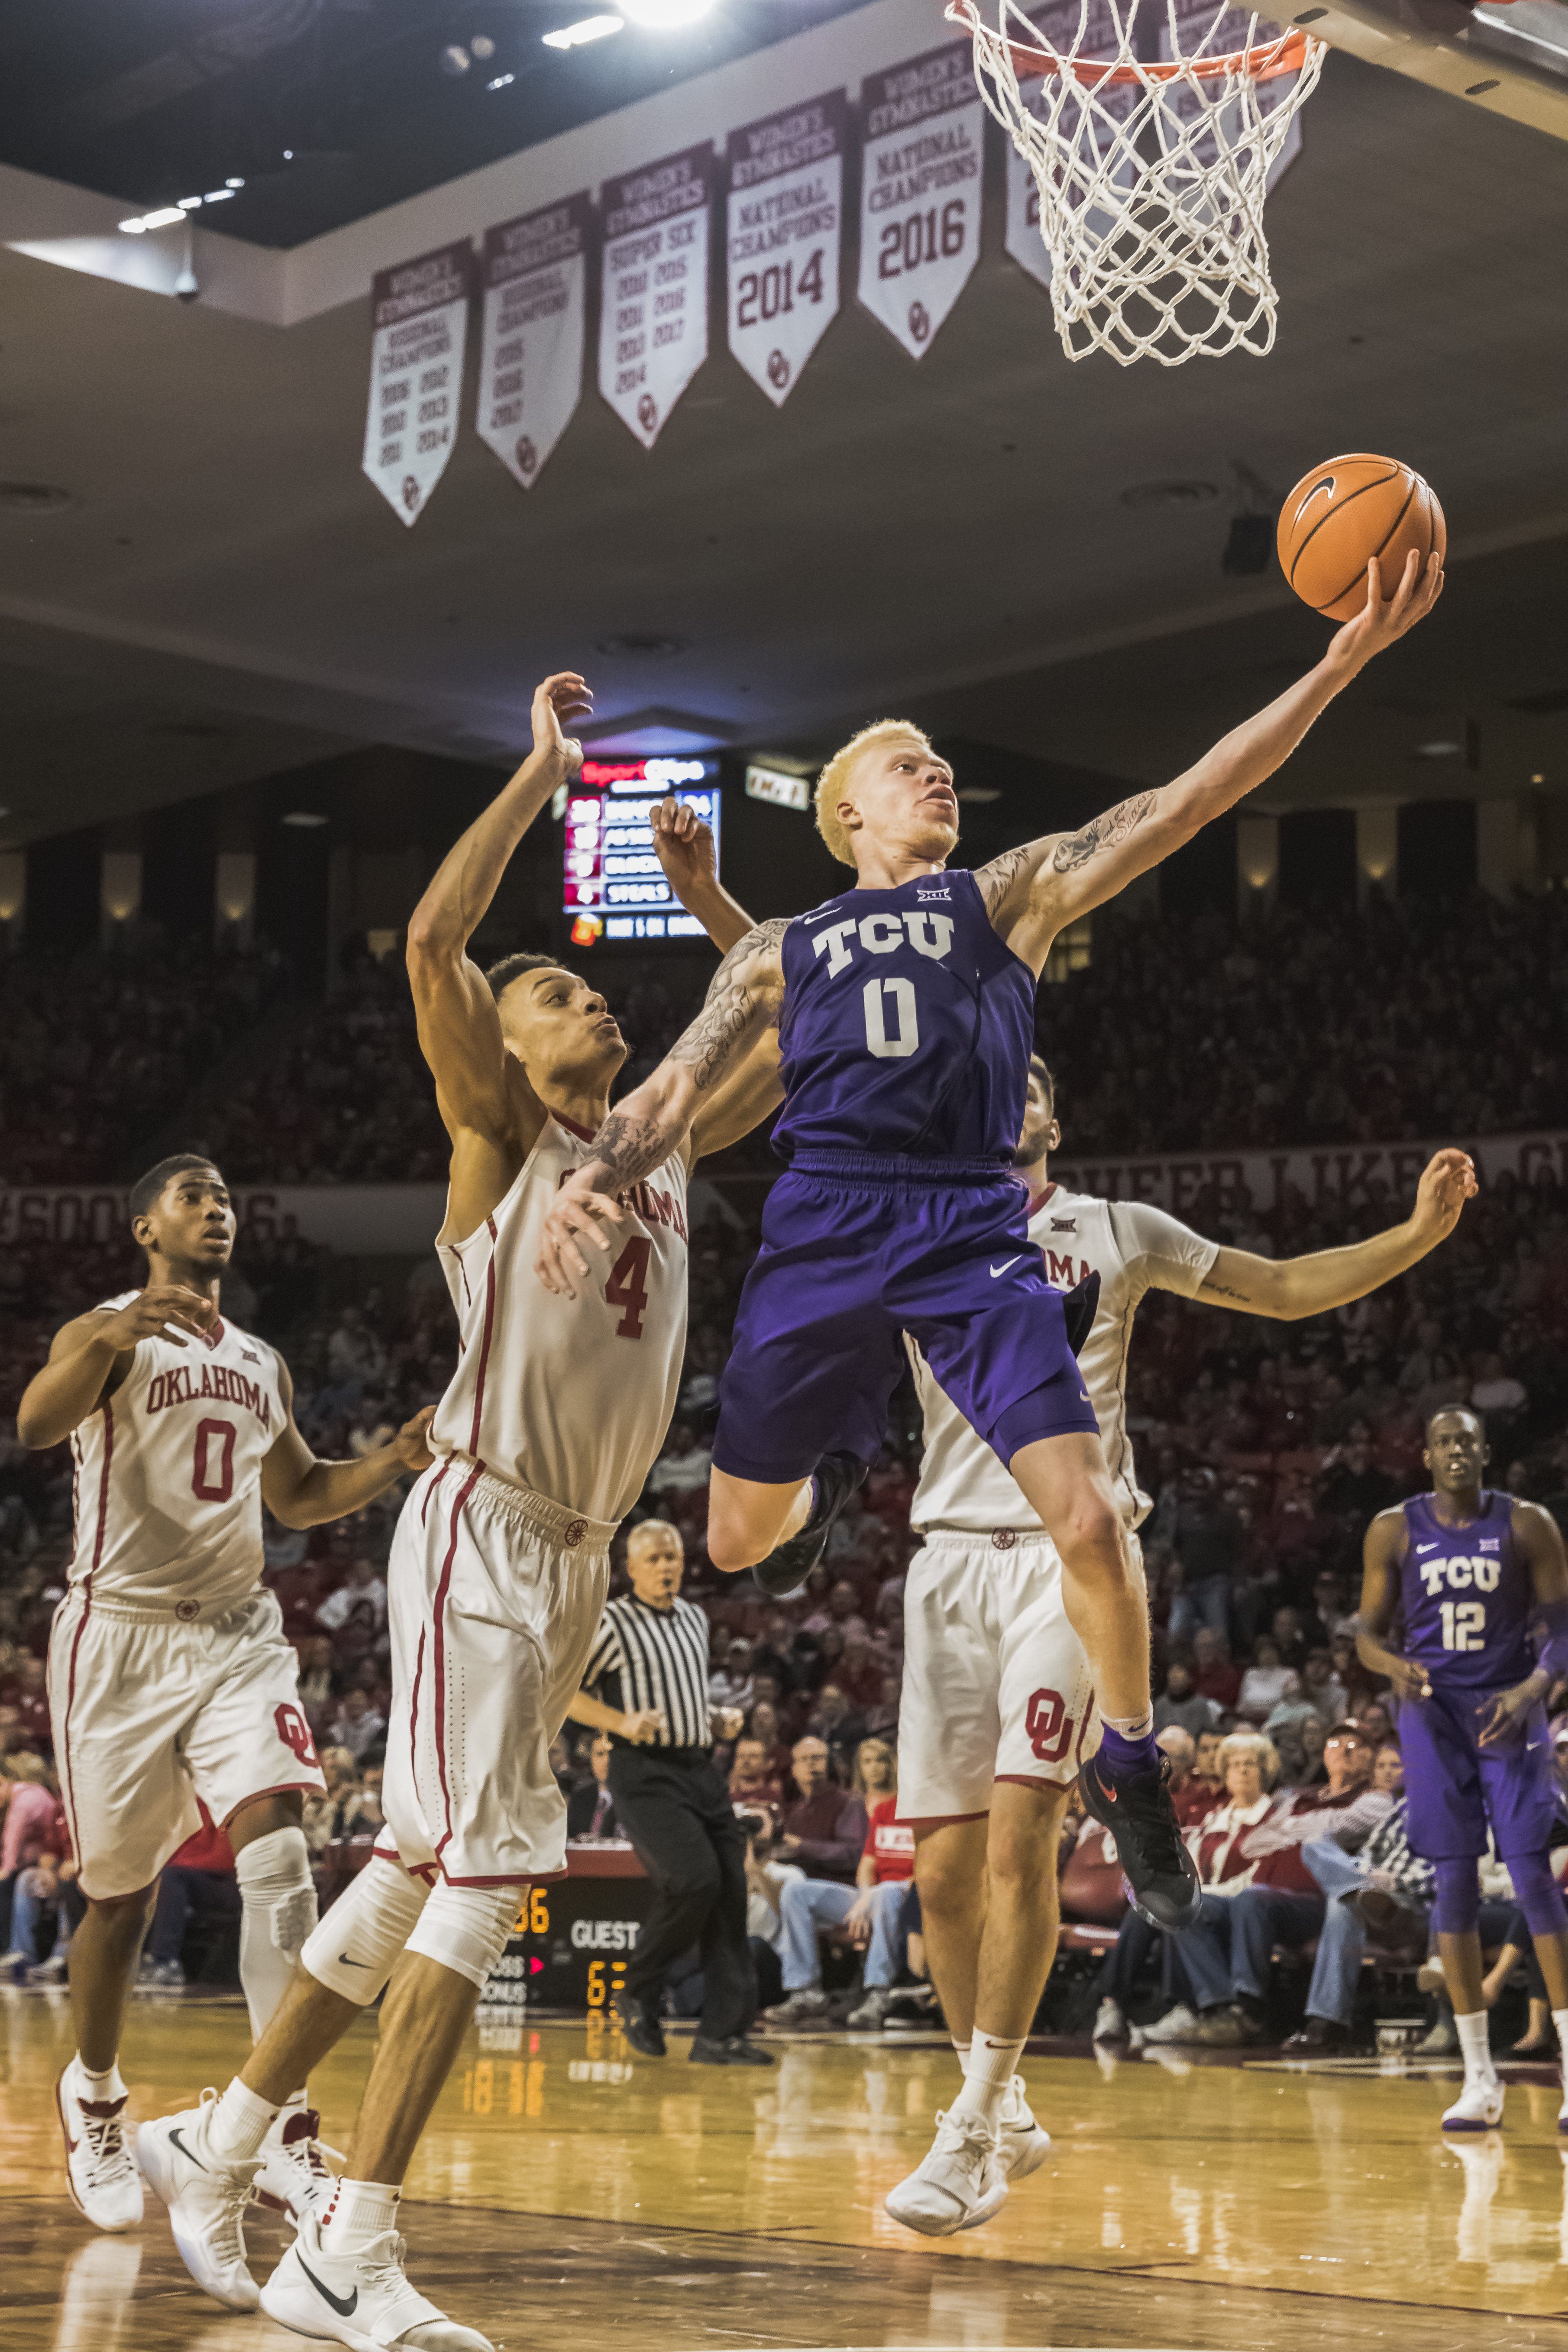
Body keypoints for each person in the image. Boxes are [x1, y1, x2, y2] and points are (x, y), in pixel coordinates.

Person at [535, 551, 1443, 1950]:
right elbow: (672, 1088)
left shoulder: (1007, 893)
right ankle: (834, 1469)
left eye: (946, 763)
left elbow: (1186, 800)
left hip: (968, 1223)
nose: (941, 777)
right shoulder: (782, 942)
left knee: (1090, 1517)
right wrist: (598, 1178)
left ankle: (1130, 1756)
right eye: (913, 767)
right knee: (734, 1538)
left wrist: (1337, 664)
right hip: (827, 1224)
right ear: (848, 813)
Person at [136, 676, 779, 2350]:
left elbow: (793, 1012)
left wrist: (727, 910)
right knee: (489, 1874)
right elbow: (435, 946)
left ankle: (211, 2140)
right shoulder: (498, 1136)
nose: (591, 1001)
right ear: (506, 1045)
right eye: (559, 988)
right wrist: (544, 776)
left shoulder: (662, 1148)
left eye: (586, 983)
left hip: (568, 1556)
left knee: (420, 1863)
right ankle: (349, 2233)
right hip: (485, 1531)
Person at [16, 1151, 432, 2235]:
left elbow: (295, 1491)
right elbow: (32, 1422)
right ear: (143, 1223)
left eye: (228, 1199)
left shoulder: (261, 1360)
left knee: (282, 1850)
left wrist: (389, 1458)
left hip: (238, 1634)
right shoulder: (103, 1329)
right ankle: (96, 2091)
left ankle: (278, 2132)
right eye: (193, 1195)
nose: (218, 1210)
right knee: (118, 1898)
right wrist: (109, 1337)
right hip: (118, 1636)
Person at [1357, 1404, 1568, 2133]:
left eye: (1468, 1442)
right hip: (1432, 1715)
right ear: (1425, 1455)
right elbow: (1364, 1633)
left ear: (1486, 1454)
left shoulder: (1527, 1522)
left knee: (1534, 1876)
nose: (1456, 1451)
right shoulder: (1392, 1527)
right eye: (1444, 1441)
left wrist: (1533, 1689)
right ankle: (1480, 2078)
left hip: (1508, 1710)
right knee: (1452, 1884)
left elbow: (1561, 1629)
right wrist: (1393, 1665)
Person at [568, 1517, 766, 2066]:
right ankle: (639, 1988)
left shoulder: (695, 1620)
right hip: (644, 1771)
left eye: (672, 1556)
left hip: (699, 1767)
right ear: (630, 1568)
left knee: (729, 1889)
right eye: (653, 1558)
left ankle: (721, 2035)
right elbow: (561, 1690)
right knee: (692, 1879)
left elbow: (678, 1696)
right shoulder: (610, 1621)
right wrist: (620, 1722)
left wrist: (713, 1720)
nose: (665, 1566)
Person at [767, 1736, 912, 2029]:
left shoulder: (929, 1812)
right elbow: (867, 1862)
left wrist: (873, 1896)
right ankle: (806, 1991)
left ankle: (878, 1992)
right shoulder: (885, 1810)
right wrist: (863, 1897)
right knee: (796, 1891)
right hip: (872, 1895)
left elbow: (926, 1871)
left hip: (908, 1896)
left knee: (886, 1892)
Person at [566, 1734, 622, 1840]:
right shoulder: (579, 1799)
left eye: (612, 1754)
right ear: (591, 1759)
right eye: (600, 1754)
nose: (607, 1761)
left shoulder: (641, 1796)